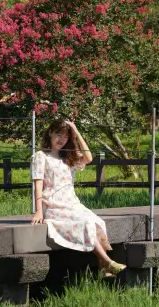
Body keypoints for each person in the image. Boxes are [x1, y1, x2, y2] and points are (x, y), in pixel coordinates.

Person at [30, 118, 126, 278]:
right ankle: (107, 262)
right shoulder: (41, 156)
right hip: (54, 205)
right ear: (50, 133)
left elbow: (88, 158)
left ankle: (103, 266)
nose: (61, 139)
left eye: (65, 136)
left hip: (72, 204)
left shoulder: (68, 157)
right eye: (58, 135)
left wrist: (76, 131)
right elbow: (37, 184)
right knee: (86, 222)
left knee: (96, 222)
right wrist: (38, 211)